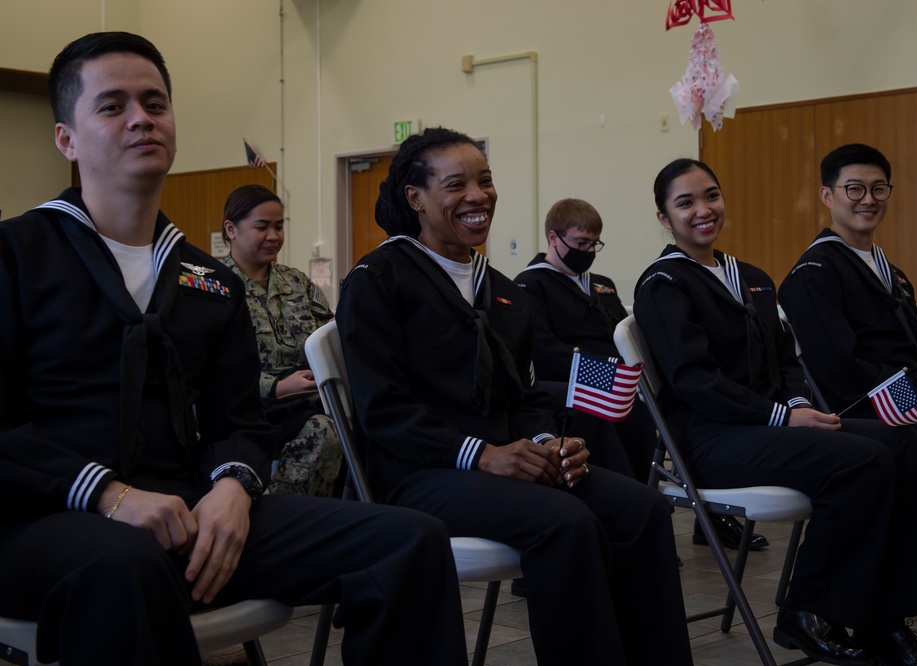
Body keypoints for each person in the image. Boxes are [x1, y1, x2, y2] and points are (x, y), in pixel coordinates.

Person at [0, 32, 468, 666]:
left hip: (188, 512)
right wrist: (111, 495)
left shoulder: (208, 281)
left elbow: (239, 422)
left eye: (155, 103)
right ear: (67, 139)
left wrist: (232, 487)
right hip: (43, 516)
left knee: (409, 541)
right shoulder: (16, 255)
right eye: (112, 106)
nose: (141, 117)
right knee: (126, 564)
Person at [336, 127, 692, 666]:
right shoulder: (377, 279)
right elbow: (382, 409)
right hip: (420, 473)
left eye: (485, 180)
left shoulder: (500, 288)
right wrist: (481, 454)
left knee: (643, 509)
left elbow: (525, 395)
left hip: (508, 462)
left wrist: (550, 441)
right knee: (565, 522)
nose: (478, 195)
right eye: (456, 184)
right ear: (416, 198)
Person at [633, 158, 917, 666]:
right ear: (663, 217)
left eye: (711, 196)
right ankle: (803, 610)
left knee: (904, 443)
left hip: (773, 428)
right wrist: (781, 417)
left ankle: (888, 621)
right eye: (685, 202)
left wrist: (800, 405)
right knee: (861, 462)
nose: (703, 210)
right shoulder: (662, 284)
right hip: (714, 440)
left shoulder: (753, 279)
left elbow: (786, 362)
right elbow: (694, 381)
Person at [779, 142, 917, 581]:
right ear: (828, 196)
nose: (869, 199)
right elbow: (846, 370)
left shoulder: (891, 271)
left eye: (879, 189)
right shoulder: (813, 274)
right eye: (855, 189)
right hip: (869, 411)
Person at [515, 197, 767, 551]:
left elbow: (624, 329)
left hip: (617, 374)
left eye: (594, 244)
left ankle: (698, 513)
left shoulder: (600, 283)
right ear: (553, 238)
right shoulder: (530, 285)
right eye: (580, 244)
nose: (588, 252)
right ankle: (634, 517)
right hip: (570, 379)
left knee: (670, 401)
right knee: (626, 408)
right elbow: (543, 350)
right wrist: (610, 372)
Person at [221, 184, 342, 497]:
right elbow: (206, 367)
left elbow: (328, 336)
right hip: (247, 408)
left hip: (310, 399)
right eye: (262, 227)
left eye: (279, 226)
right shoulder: (215, 286)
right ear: (231, 230)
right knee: (324, 432)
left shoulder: (296, 281)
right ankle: (283, 511)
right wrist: (276, 386)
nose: (273, 236)